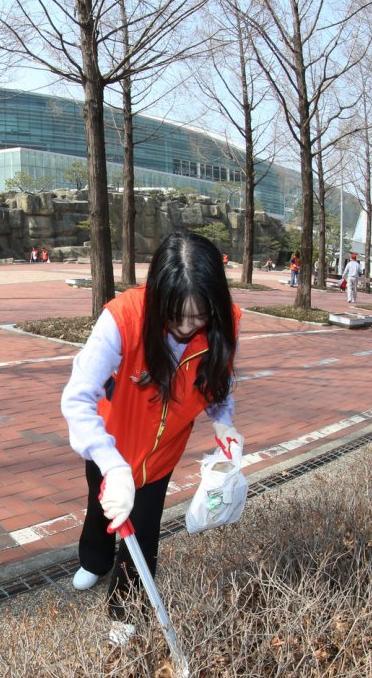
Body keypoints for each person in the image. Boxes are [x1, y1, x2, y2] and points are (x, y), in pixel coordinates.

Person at [60, 230, 241, 646]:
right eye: (176, 315)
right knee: (100, 508)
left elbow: (219, 384)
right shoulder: (123, 319)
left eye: (198, 317)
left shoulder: (224, 323)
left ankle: (124, 612)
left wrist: (224, 422)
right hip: (110, 443)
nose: (185, 327)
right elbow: (77, 398)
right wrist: (110, 463)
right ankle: (94, 559)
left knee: (143, 528)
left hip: (161, 453)